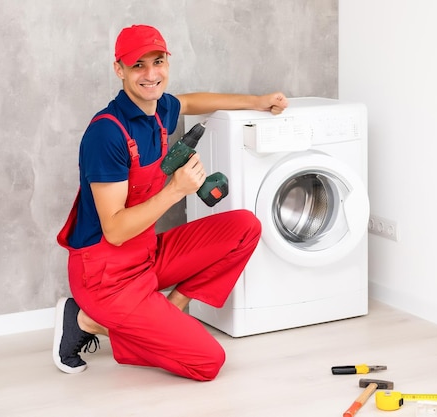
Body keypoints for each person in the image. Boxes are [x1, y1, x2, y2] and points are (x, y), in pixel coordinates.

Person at [53, 24, 288, 381]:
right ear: (119, 70)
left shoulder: (160, 108)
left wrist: (256, 102)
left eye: (158, 62)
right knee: (208, 362)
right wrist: (176, 190)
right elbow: (115, 231)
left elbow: (192, 101)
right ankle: (87, 320)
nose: (151, 74)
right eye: (138, 66)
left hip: (146, 254)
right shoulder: (107, 134)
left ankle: (172, 307)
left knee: (245, 227)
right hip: (106, 275)